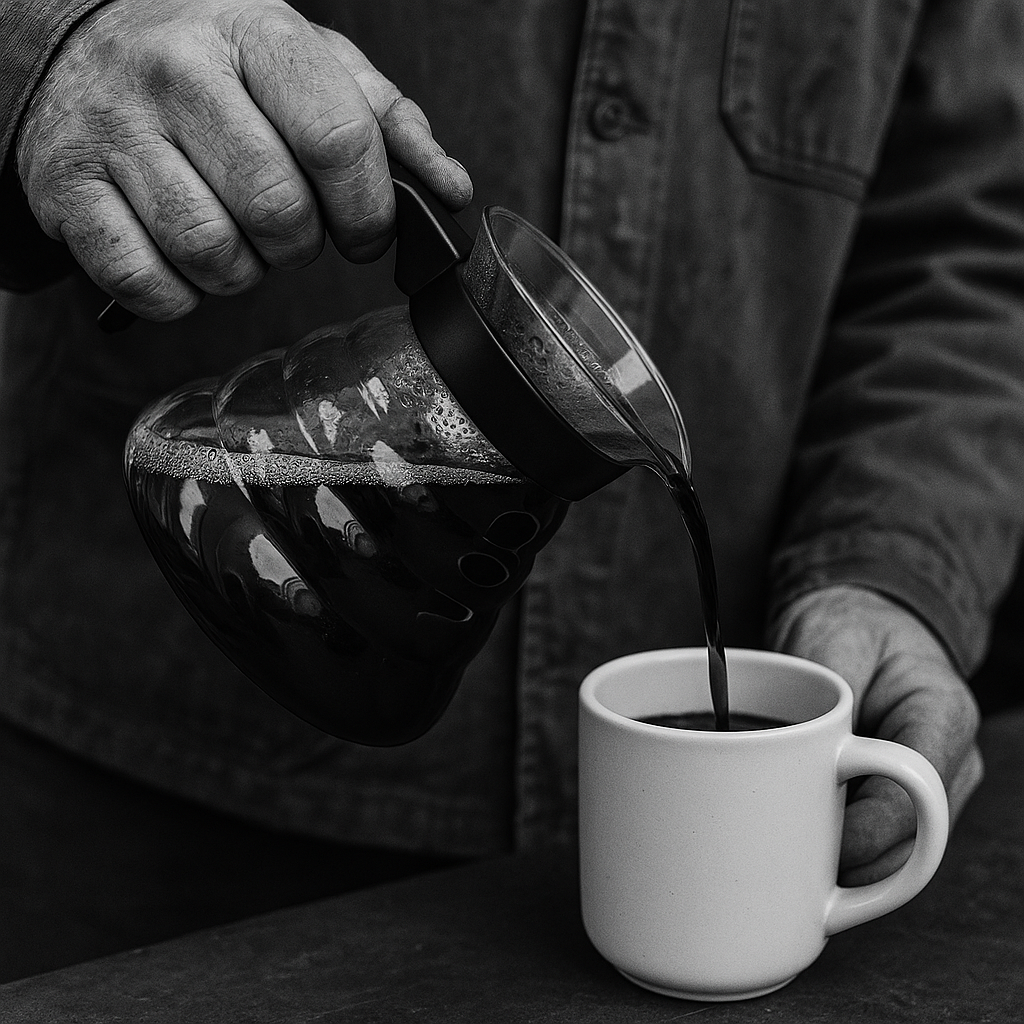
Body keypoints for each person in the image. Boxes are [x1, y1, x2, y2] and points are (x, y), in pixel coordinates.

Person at [2, 0, 1023, 982]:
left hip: (689, 840)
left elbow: (957, 240)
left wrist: (887, 566)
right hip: (144, 798)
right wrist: (58, 43)